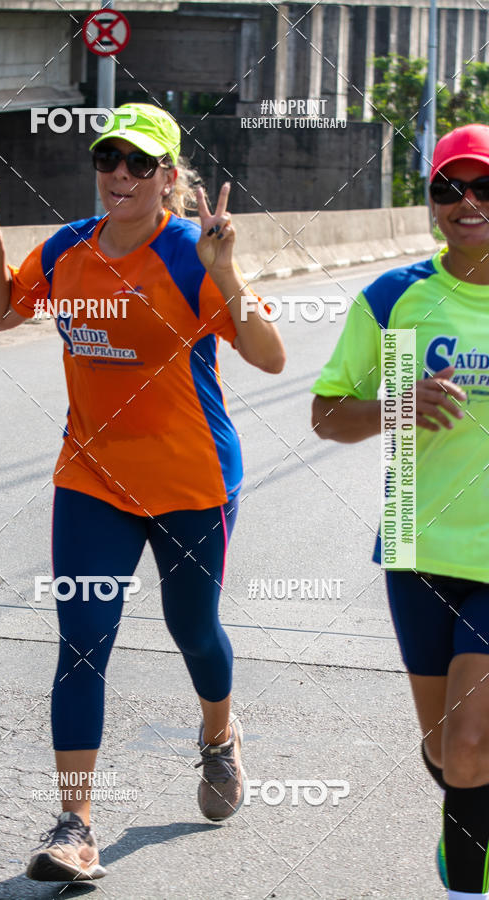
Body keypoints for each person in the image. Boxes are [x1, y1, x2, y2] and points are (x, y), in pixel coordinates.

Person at [0, 102, 285, 883]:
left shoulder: (189, 254)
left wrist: (227, 271)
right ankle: (75, 826)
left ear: (168, 177)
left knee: (193, 629)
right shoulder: (68, 248)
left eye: (140, 163)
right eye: (109, 158)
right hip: (93, 480)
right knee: (82, 642)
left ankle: (219, 736)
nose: (120, 174)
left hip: (190, 482)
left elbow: (270, 355)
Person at [311, 123, 489, 899]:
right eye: (449, 188)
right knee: (447, 755)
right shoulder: (395, 298)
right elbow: (327, 413)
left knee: (471, 743)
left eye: (485, 187)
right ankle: (471, 818)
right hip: (418, 550)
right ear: (431, 202)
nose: (467, 202)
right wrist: (395, 405)